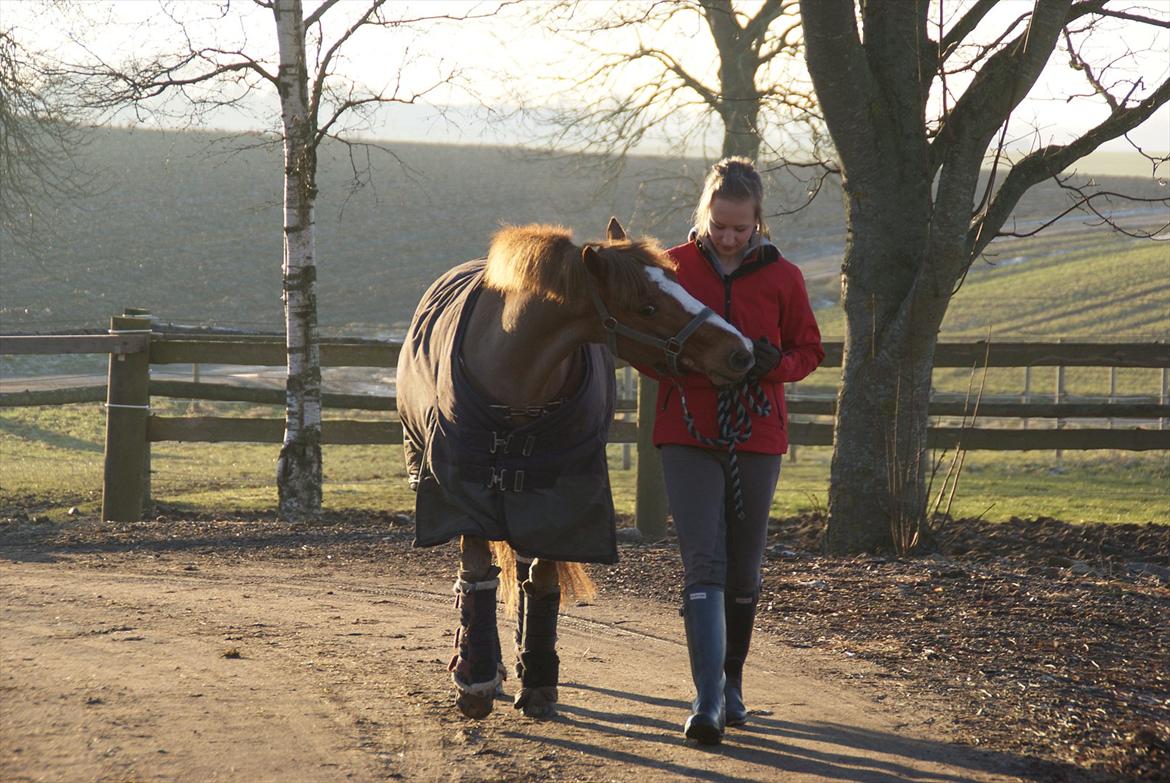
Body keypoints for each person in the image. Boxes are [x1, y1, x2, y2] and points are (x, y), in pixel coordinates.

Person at [649, 157, 824, 745]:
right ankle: (705, 702)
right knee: (704, 561)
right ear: (705, 214)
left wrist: (778, 366)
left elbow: (810, 350)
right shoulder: (670, 269)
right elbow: (645, 345)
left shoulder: (785, 278)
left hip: (757, 433)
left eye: (739, 228)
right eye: (719, 225)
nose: (727, 237)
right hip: (687, 431)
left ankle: (731, 681)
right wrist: (684, 362)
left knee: (745, 569)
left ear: (757, 222)